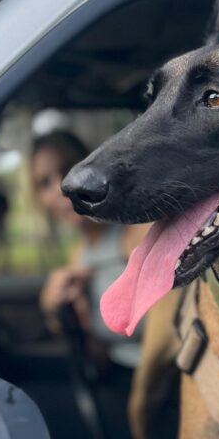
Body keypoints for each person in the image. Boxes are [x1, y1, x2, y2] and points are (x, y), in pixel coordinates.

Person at [30, 128, 147, 371]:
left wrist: (141, 395)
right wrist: (55, 312)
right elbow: (97, 354)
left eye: (67, 170)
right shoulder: (78, 256)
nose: (61, 188)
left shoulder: (138, 232)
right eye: (44, 183)